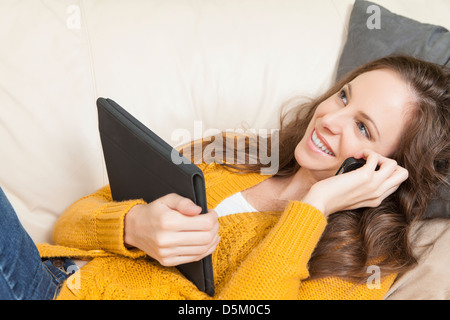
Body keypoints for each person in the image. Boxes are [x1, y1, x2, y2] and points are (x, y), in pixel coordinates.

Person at [1, 55, 448, 300]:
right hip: (41, 273)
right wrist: (132, 226)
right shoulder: (237, 154)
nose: (330, 117)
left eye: (363, 128)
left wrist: (313, 210)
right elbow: (69, 223)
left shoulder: (359, 267)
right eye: (343, 96)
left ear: (389, 169)